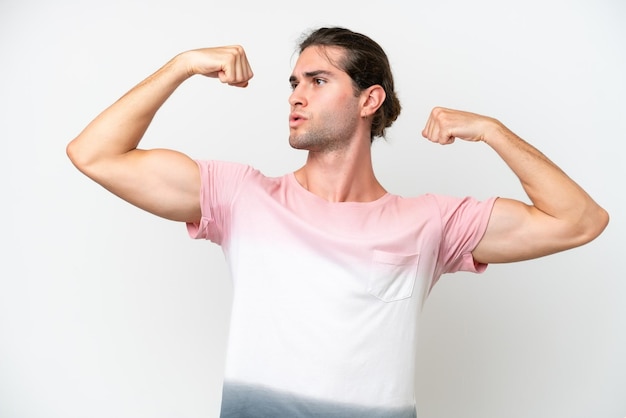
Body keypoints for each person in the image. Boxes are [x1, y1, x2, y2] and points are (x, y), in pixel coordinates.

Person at [66, 27, 608, 418]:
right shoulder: (241, 196)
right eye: (294, 82)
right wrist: (182, 63)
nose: (296, 95)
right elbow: (94, 154)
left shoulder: (430, 222)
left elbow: (580, 222)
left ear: (369, 99)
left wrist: (492, 131)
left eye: (318, 80)